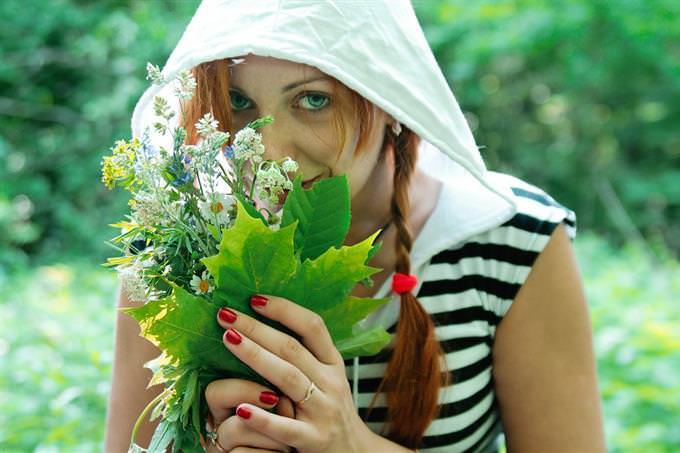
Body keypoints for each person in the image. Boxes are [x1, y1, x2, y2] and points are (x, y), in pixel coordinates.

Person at [105, 1, 606, 452]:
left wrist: (353, 446)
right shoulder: (178, 246)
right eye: (239, 103)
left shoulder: (511, 239)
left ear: (393, 102)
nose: (271, 151)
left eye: (313, 100)